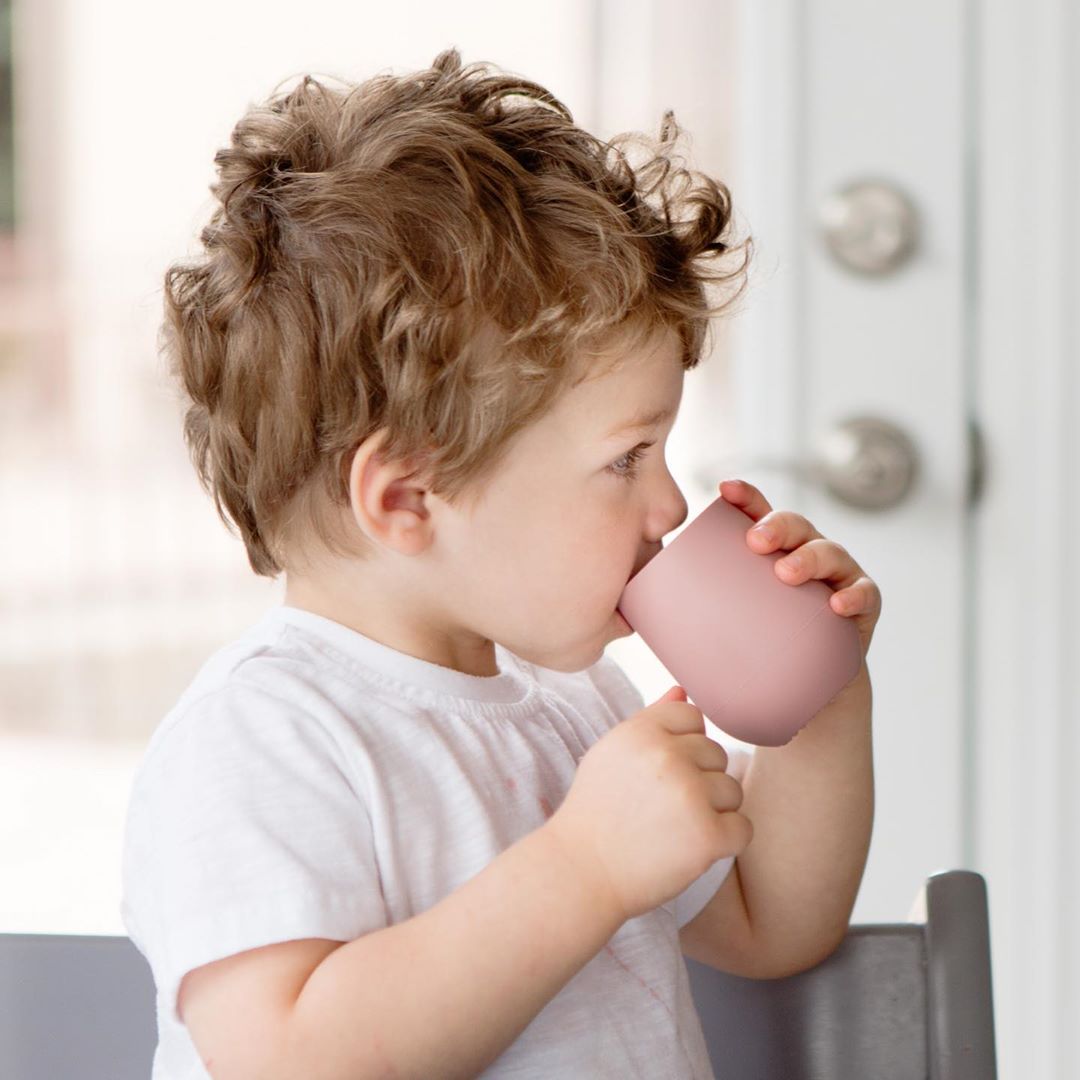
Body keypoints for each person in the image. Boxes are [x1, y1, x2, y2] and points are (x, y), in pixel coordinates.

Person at [120, 46, 881, 1080]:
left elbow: (771, 924)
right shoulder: (263, 741)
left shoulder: (574, 706)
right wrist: (584, 869)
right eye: (626, 459)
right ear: (407, 498)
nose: (670, 505)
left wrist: (818, 700)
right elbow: (285, 1058)